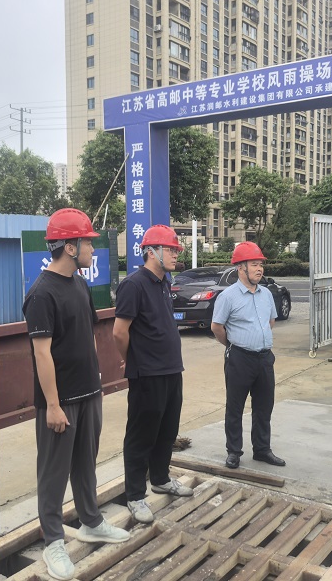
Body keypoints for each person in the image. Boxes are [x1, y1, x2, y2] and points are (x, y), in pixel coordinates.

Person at [23, 208, 129, 581]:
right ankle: (53, 540)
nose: (92, 249)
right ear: (70, 247)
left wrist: (96, 378)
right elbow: (41, 354)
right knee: (53, 473)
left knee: (86, 463)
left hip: (89, 393)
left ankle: (91, 521)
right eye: (87, 243)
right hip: (61, 401)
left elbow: (87, 335)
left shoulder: (79, 285)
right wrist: (52, 405)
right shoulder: (41, 294)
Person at [113, 224, 194, 525]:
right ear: (151, 251)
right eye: (170, 249)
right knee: (141, 435)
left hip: (172, 369)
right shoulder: (133, 285)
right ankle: (135, 495)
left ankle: (160, 478)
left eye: (175, 250)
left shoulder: (163, 283)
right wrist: (132, 359)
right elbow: (119, 332)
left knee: (167, 430)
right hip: (147, 373)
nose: (175, 254)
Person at [211, 242, 286, 470]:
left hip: (264, 358)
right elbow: (217, 327)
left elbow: (270, 321)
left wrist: (257, 339)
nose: (259, 269)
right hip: (239, 358)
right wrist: (233, 344)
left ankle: (262, 450)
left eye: (261, 264)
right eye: (254, 264)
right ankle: (234, 451)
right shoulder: (228, 297)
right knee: (235, 407)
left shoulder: (266, 294)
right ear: (240, 268)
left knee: (264, 407)